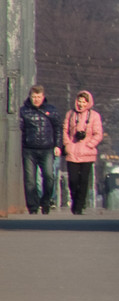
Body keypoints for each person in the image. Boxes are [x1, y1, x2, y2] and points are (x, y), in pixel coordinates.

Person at [19, 85, 62, 214]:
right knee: (30, 180)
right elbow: (20, 129)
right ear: (30, 97)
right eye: (34, 97)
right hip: (29, 150)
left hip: (47, 149)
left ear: (43, 97)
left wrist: (58, 146)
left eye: (38, 97)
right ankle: (32, 206)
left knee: (49, 177)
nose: (36, 99)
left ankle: (46, 201)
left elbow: (58, 128)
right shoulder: (23, 111)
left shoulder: (51, 110)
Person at [63, 90, 103, 215]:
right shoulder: (70, 115)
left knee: (83, 180)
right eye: (79, 101)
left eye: (84, 102)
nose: (81, 104)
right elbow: (65, 131)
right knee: (73, 180)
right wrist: (68, 145)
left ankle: (79, 206)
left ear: (88, 103)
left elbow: (98, 134)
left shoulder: (94, 116)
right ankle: (75, 200)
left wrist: (89, 145)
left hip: (87, 153)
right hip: (72, 152)